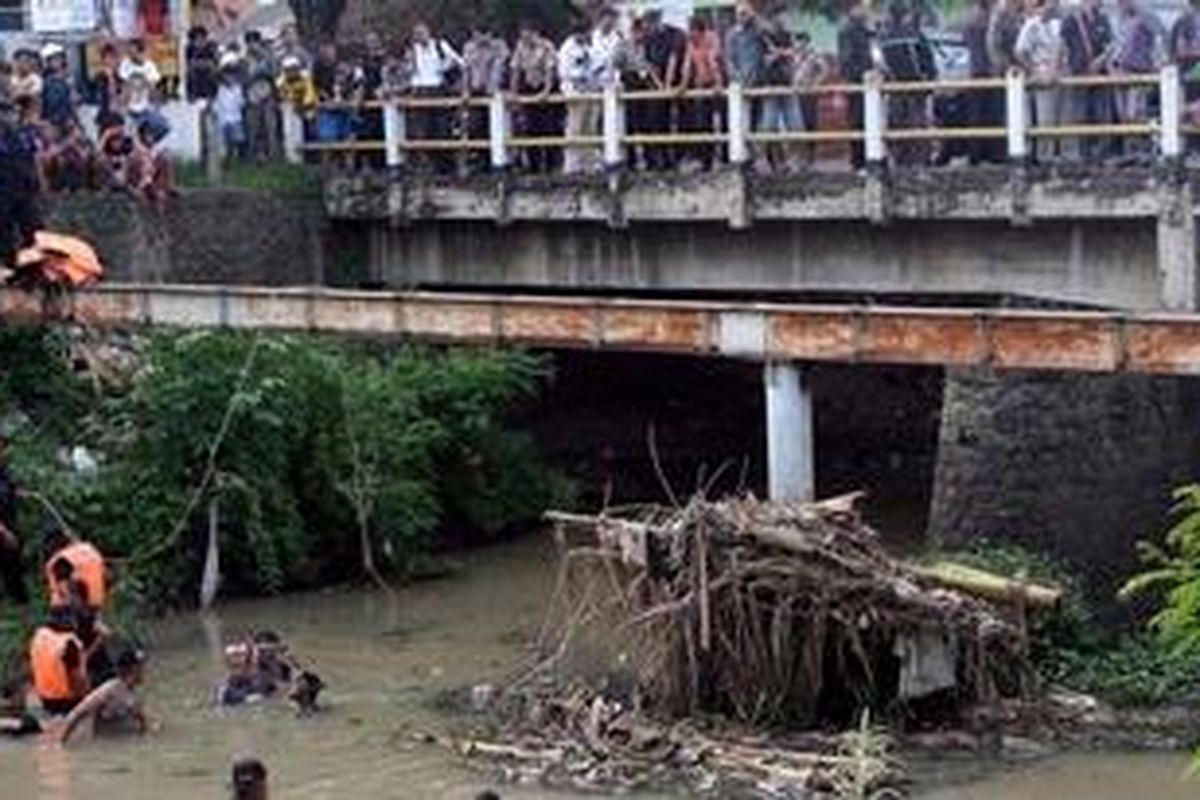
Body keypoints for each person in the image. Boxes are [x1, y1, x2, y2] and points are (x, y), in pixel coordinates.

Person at [880, 0, 936, 166]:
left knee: (897, 126)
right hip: (917, 89)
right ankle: (920, 164)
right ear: (906, 15)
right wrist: (929, 81)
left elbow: (882, 65)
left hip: (895, 89)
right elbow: (927, 61)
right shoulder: (915, 35)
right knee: (917, 127)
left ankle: (900, 163)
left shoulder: (884, 37)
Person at [405, 21, 463, 174]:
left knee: (442, 129)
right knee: (422, 132)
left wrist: (444, 68)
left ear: (429, 32)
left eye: (421, 32)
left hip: (438, 89)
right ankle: (430, 166)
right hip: (419, 90)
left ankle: (447, 167)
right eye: (416, 34)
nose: (419, 36)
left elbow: (459, 62)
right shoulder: (412, 50)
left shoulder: (440, 45)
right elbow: (409, 72)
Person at [59, 647, 148, 744]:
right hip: (107, 745)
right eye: (140, 667)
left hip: (124, 744)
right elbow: (77, 713)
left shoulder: (132, 692)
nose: (144, 671)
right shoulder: (109, 690)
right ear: (130, 669)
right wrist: (62, 743)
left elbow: (139, 720)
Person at [1062, 0, 1114, 159]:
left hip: (1099, 74)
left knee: (1102, 114)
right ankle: (1082, 152)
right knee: (1080, 114)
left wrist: (1101, 60)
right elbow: (1063, 45)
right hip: (1079, 74)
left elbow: (1110, 45)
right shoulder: (1071, 20)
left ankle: (1102, 152)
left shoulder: (1103, 20)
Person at [1016, 0, 1066, 163]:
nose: (1054, 6)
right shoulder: (1032, 25)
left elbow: (1061, 49)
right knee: (1037, 117)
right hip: (1038, 72)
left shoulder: (1057, 25)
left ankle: (1050, 154)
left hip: (1055, 73)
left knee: (1052, 118)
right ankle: (1036, 155)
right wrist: (1033, 69)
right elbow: (1020, 51)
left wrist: (1057, 68)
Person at [1112, 0, 1162, 158]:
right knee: (1123, 114)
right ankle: (1129, 151)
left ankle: (1141, 150)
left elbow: (1159, 37)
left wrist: (1156, 64)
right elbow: (1116, 46)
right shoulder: (1119, 20)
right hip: (1119, 71)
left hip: (1138, 71)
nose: (1122, 4)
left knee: (1136, 112)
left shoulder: (1146, 17)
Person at [510, 19, 560, 174]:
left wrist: (546, 91)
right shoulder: (520, 47)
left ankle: (551, 166)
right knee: (530, 129)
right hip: (529, 88)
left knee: (549, 128)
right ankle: (534, 166)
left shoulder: (547, 46)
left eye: (526, 33)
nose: (524, 37)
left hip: (546, 88)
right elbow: (515, 71)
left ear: (534, 33)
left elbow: (550, 71)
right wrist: (513, 92)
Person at [642, 9, 686, 171]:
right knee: (657, 122)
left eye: (650, 23)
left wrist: (667, 85)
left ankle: (678, 157)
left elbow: (673, 60)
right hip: (656, 86)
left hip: (677, 83)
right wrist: (659, 85)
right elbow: (649, 64)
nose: (648, 27)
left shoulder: (674, 34)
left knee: (679, 121)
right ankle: (662, 158)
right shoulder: (648, 39)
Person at [462, 24, 510, 173]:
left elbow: (500, 67)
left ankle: (498, 162)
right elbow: (466, 70)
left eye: (481, 35)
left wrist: (493, 88)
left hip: (494, 92)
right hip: (476, 91)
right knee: (476, 127)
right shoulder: (469, 48)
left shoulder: (499, 47)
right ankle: (480, 162)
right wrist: (465, 90)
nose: (478, 39)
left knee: (496, 127)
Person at [679, 16, 724, 171]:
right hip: (699, 85)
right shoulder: (691, 44)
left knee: (714, 122)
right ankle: (703, 160)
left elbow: (714, 62)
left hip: (713, 84)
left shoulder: (711, 39)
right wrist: (683, 86)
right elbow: (687, 64)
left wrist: (718, 83)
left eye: (691, 30)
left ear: (699, 30)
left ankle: (715, 159)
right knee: (699, 122)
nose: (689, 34)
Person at [758, 17, 802, 172]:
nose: (781, 20)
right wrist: (781, 54)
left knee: (796, 126)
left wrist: (780, 53)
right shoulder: (762, 37)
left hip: (788, 85)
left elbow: (794, 56)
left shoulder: (787, 35)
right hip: (770, 86)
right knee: (768, 126)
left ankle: (794, 161)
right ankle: (765, 160)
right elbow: (766, 60)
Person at [30, 608, 89, 716]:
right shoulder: (68, 643)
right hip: (65, 701)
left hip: (45, 698)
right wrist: (86, 697)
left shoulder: (39, 636)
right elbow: (76, 678)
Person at [838, 2, 875, 168]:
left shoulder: (862, 29)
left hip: (865, 82)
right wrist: (863, 73)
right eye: (864, 6)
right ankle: (858, 161)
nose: (867, 10)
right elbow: (847, 61)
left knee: (867, 121)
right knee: (858, 121)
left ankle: (866, 158)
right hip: (857, 83)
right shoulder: (848, 30)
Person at [559, 20, 598, 175]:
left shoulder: (589, 47)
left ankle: (589, 164)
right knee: (575, 129)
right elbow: (564, 73)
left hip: (590, 90)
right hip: (575, 91)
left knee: (590, 129)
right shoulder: (567, 49)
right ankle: (572, 165)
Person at [44, 525, 106, 614]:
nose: (48, 548)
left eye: (49, 543)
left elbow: (72, 588)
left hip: (70, 612)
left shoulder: (62, 560)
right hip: (95, 605)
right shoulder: (89, 551)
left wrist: (76, 617)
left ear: (56, 541)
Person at [119, 40, 169, 142]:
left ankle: (148, 146)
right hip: (130, 108)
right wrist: (123, 105)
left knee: (164, 127)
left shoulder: (150, 66)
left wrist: (156, 106)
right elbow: (124, 86)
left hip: (146, 107)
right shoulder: (125, 64)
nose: (131, 54)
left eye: (134, 52)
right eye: (130, 52)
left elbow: (154, 88)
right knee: (129, 135)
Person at [792, 31, 828, 167]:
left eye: (802, 40)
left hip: (809, 94)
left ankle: (810, 157)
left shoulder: (813, 54)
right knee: (796, 125)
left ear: (807, 42)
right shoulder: (792, 55)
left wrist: (816, 83)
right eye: (797, 40)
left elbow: (824, 69)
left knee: (810, 123)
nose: (799, 43)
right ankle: (798, 158)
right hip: (795, 94)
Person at [244, 31, 280, 163]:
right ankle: (253, 157)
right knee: (253, 128)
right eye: (250, 43)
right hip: (252, 98)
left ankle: (273, 157)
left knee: (270, 127)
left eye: (255, 42)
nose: (253, 45)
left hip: (268, 96)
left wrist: (264, 66)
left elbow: (275, 73)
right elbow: (244, 79)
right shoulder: (245, 60)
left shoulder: (268, 57)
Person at [0, 434, 27, 603]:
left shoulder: (3, 471)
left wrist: (18, 493)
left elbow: (8, 489)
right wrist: (2, 531)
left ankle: (18, 600)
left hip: (9, 522)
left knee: (13, 558)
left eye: (2, 448)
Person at [215, 53, 248, 164]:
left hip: (236, 118)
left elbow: (241, 103)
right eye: (227, 75)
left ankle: (240, 159)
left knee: (238, 139)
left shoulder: (238, 88)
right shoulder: (220, 90)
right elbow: (218, 105)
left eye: (232, 75)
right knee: (225, 142)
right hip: (223, 119)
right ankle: (227, 161)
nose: (230, 78)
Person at [39, 44, 75, 136]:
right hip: (54, 122)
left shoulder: (65, 80)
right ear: (48, 62)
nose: (58, 62)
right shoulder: (47, 81)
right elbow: (49, 103)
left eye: (59, 58)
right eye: (54, 59)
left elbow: (70, 102)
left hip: (67, 120)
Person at [186, 26, 220, 102]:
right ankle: (194, 95)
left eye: (201, 38)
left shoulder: (212, 46)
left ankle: (211, 94)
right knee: (192, 73)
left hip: (210, 77)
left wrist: (205, 63)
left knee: (212, 73)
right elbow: (191, 63)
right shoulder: (190, 48)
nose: (199, 42)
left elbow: (215, 62)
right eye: (196, 40)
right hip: (196, 78)